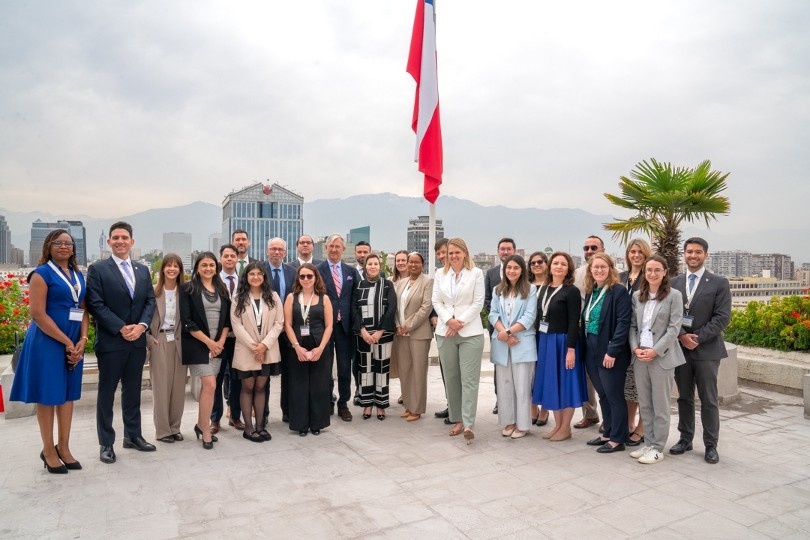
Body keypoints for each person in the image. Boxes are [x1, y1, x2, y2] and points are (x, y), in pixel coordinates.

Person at [11, 229, 89, 473]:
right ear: (49, 246)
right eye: (58, 243)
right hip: (47, 342)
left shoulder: (78, 275)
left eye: (68, 243)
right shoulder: (41, 274)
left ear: (74, 248)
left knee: (67, 395)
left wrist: (83, 339)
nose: (64, 246)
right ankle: (48, 450)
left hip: (74, 343)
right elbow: (38, 314)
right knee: (48, 395)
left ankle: (64, 447)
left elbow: (84, 310)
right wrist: (67, 341)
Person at [86, 221, 157, 464]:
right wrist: (120, 327)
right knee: (106, 394)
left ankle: (133, 435)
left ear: (132, 242)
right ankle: (106, 442)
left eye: (124, 237)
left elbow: (149, 301)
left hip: (137, 342)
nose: (120, 241)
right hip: (111, 342)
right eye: (115, 237)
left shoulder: (142, 270)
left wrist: (141, 327)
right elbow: (95, 304)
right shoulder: (98, 269)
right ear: (109, 242)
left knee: (133, 391)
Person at [670, 237, 731, 464]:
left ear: (706, 255)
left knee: (708, 399)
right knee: (684, 398)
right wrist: (680, 336)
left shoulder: (718, 282)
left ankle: (710, 445)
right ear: (683, 254)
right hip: (681, 349)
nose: (693, 256)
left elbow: (722, 317)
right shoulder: (674, 282)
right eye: (689, 252)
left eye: (697, 252)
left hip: (706, 350)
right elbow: (668, 315)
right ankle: (685, 439)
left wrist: (697, 338)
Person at [628, 254, 686, 464]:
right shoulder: (637, 296)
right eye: (649, 270)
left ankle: (658, 447)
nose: (652, 274)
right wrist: (635, 349)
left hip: (661, 357)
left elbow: (674, 329)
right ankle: (649, 443)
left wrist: (655, 350)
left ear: (664, 273)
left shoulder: (674, 296)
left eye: (657, 270)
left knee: (660, 405)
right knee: (645, 403)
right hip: (640, 356)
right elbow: (633, 326)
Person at [432, 237, 485, 444]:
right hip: (446, 332)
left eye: (457, 252)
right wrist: (448, 321)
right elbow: (436, 300)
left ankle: (469, 423)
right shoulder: (440, 274)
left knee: (469, 380)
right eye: (450, 252)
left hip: (470, 332)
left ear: (465, 253)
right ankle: (457, 419)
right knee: (452, 378)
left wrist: (459, 322)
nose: (454, 256)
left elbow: (478, 302)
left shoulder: (476, 274)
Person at [580, 253, 632, 454]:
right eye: (595, 267)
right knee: (603, 394)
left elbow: (623, 323)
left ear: (611, 269)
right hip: (591, 347)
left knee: (614, 395)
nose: (599, 270)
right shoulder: (591, 291)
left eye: (603, 267)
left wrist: (613, 351)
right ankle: (608, 432)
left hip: (610, 351)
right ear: (590, 270)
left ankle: (619, 439)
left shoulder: (618, 291)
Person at [179, 252, 231, 450]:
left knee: (210, 387)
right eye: (204, 265)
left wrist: (220, 343)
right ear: (197, 268)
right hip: (198, 345)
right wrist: (210, 343)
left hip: (218, 346)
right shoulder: (188, 289)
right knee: (209, 384)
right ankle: (206, 430)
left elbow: (227, 320)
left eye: (211, 265)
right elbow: (187, 322)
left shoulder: (222, 288)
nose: (208, 268)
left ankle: (201, 425)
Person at [533, 252, 587, 442]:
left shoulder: (571, 290)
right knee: (552, 384)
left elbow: (574, 321)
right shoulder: (544, 289)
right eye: (555, 263)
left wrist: (571, 349)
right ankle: (557, 426)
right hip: (546, 342)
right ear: (550, 266)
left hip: (564, 342)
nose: (559, 266)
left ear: (568, 268)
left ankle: (565, 428)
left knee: (567, 385)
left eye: (563, 264)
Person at [230, 262, 284, 442]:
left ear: (264, 277)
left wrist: (264, 345)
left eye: (259, 274)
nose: (255, 277)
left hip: (267, 349)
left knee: (261, 387)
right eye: (251, 274)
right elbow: (236, 326)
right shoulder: (238, 298)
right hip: (246, 350)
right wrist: (255, 346)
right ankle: (248, 428)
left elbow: (279, 323)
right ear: (246, 277)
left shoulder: (273, 297)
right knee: (247, 387)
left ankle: (260, 426)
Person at [488, 255, 538, 439]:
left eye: (516, 268)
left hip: (522, 342)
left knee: (522, 386)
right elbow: (492, 314)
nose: (512, 271)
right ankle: (508, 421)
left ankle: (523, 424)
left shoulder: (530, 289)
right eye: (509, 267)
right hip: (502, 343)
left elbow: (529, 316)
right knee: (504, 385)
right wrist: (504, 333)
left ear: (522, 270)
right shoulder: (497, 290)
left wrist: (508, 333)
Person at [283, 263, 334, 436]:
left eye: (309, 276)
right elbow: (287, 325)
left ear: (315, 277)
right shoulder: (291, 297)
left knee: (319, 386)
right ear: (298, 278)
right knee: (299, 386)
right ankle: (300, 424)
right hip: (297, 347)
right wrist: (296, 347)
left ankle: (317, 423)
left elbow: (329, 326)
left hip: (320, 346)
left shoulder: (324, 298)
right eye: (302, 276)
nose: (305, 279)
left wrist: (320, 348)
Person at [317, 235, 360, 421]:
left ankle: (343, 403)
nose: (334, 249)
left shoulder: (351, 271)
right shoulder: (317, 270)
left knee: (344, 368)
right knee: (325, 368)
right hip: (325, 327)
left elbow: (357, 299)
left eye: (338, 246)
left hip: (345, 328)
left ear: (343, 249)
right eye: (331, 246)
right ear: (326, 248)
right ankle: (327, 401)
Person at [352, 253, 397, 420]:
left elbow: (391, 309)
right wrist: (362, 330)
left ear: (380, 266)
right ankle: (367, 404)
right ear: (365, 267)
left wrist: (380, 331)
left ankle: (381, 405)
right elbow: (354, 310)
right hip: (363, 336)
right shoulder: (358, 286)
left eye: (375, 264)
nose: (372, 266)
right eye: (369, 264)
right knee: (365, 370)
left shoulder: (387, 285)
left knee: (382, 370)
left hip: (383, 335)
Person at [148, 254, 187, 444]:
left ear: (180, 270)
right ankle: (163, 431)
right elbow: (142, 317)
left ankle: (175, 427)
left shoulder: (185, 292)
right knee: (161, 388)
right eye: (168, 266)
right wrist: (149, 339)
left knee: (178, 388)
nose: (172, 269)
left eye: (176, 266)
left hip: (179, 342)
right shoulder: (153, 291)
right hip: (160, 340)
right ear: (162, 269)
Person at [619, 238, 652, 446]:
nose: (636, 255)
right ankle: (629, 423)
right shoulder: (621, 277)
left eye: (640, 252)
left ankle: (642, 427)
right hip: (623, 337)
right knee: (627, 386)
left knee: (641, 386)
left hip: (643, 339)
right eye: (632, 252)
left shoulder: (648, 277)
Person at [394, 252, 434, 422]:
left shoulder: (428, 282)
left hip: (419, 333)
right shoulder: (401, 283)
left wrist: (407, 325)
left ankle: (417, 409)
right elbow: (396, 307)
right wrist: (397, 325)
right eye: (411, 262)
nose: (413, 265)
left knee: (418, 372)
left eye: (417, 262)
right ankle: (408, 405)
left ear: (422, 265)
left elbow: (426, 308)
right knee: (405, 371)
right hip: (401, 334)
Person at [573, 235, 603, 430]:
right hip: (581, 332)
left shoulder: (614, 272)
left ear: (603, 250)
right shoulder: (577, 273)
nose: (589, 251)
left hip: (603, 333)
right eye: (586, 248)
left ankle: (610, 418)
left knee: (605, 376)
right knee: (585, 376)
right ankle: (590, 414)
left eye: (594, 247)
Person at [211, 243, 242, 434]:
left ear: (237, 259)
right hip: (218, 339)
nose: (229, 259)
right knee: (216, 379)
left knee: (238, 379)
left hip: (239, 339)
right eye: (226, 256)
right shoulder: (213, 282)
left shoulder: (244, 280)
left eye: (233, 256)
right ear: (220, 258)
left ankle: (235, 416)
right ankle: (215, 419)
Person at [266, 237, 297, 425]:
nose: (277, 252)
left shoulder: (293, 272)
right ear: (267, 251)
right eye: (273, 249)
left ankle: (287, 411)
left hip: (288, 331)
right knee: (264, 374)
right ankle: (264, 412)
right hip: (266, 331)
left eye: (280, 249)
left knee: (289, 373)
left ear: (285, 253)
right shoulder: (258, 270)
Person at [485, 237, 517, 415]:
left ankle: (520, 401)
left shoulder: (523, 272)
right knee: (499, 366)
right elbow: (488, 300)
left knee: (519, 367)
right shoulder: (491, 273)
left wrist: (512, 326)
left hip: (519, 331)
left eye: (508, 249)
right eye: (502, 249)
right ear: (498, 251)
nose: (505, 252)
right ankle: (500, 400)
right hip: (497, 329)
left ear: (515, 251)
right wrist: (501, 325)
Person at [431, 238, 453, 423]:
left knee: (458, 373)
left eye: (444, 252)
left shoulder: (468, 273)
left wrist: (453, 321)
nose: (441, 256)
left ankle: (459, 410)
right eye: (438, 253)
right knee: (446, 371)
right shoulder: (439, 273)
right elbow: (436, 300)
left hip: (461, 328)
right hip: (443, 328)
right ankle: (451, 404)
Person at [527, 251, 549, 426]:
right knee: (531, 373)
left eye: (540, 261)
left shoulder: (552, 284)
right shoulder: (526, 285)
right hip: (528, 334)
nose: (536, 265)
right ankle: (533, 407)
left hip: (547, 335)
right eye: (533, 263)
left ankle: (546, 409)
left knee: (546, 371)